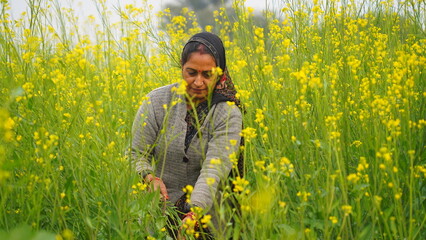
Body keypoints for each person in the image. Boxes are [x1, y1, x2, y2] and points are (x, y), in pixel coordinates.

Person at [130, 32, 243, 238]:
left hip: (208, 219)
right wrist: (148, 176)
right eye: (191, 72)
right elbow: (136, 152)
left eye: (207, 75)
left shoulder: (228, 113)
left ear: (219, 74)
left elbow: (214, 171)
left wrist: (195, 212)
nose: (198, 82)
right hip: (157, 218)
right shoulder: (156, 101)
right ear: (181, 68)